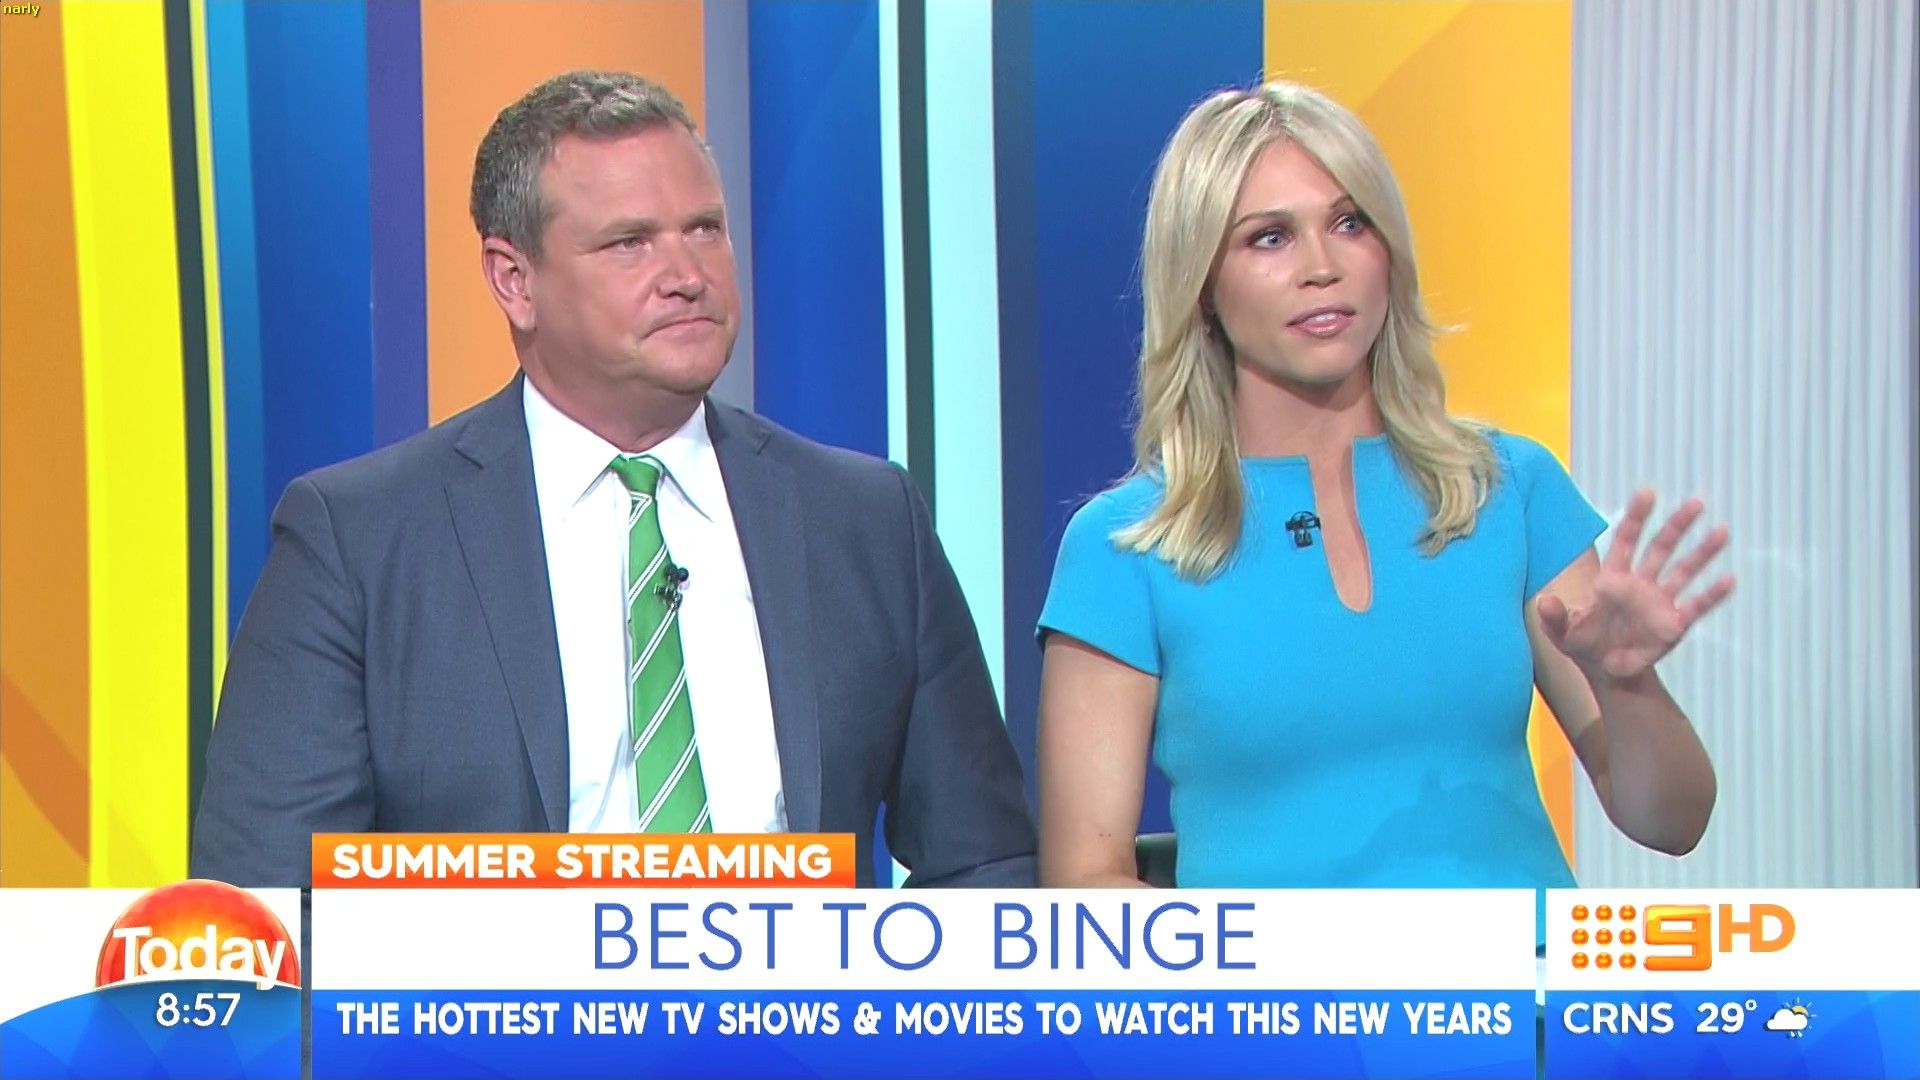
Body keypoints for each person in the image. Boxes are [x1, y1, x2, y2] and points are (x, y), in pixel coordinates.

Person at [192, 70, 1034, 889]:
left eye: (705, 229)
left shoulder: (866, 520)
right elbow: (267, 904)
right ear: (514, 280)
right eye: (630, 242)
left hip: (798, 990)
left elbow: (984, 862)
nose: (688, 275)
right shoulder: (359, 542)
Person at [1036, 82, 1730, 893]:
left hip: (1523, 971)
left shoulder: (1507, 487)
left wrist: (1629, 685)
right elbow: (1085, 887)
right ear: (1202, 286)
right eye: (1269, 238)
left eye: (1350, 223)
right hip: (1276, 980)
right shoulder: (1124, 547)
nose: (1322, 267)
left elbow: (1672, 825)